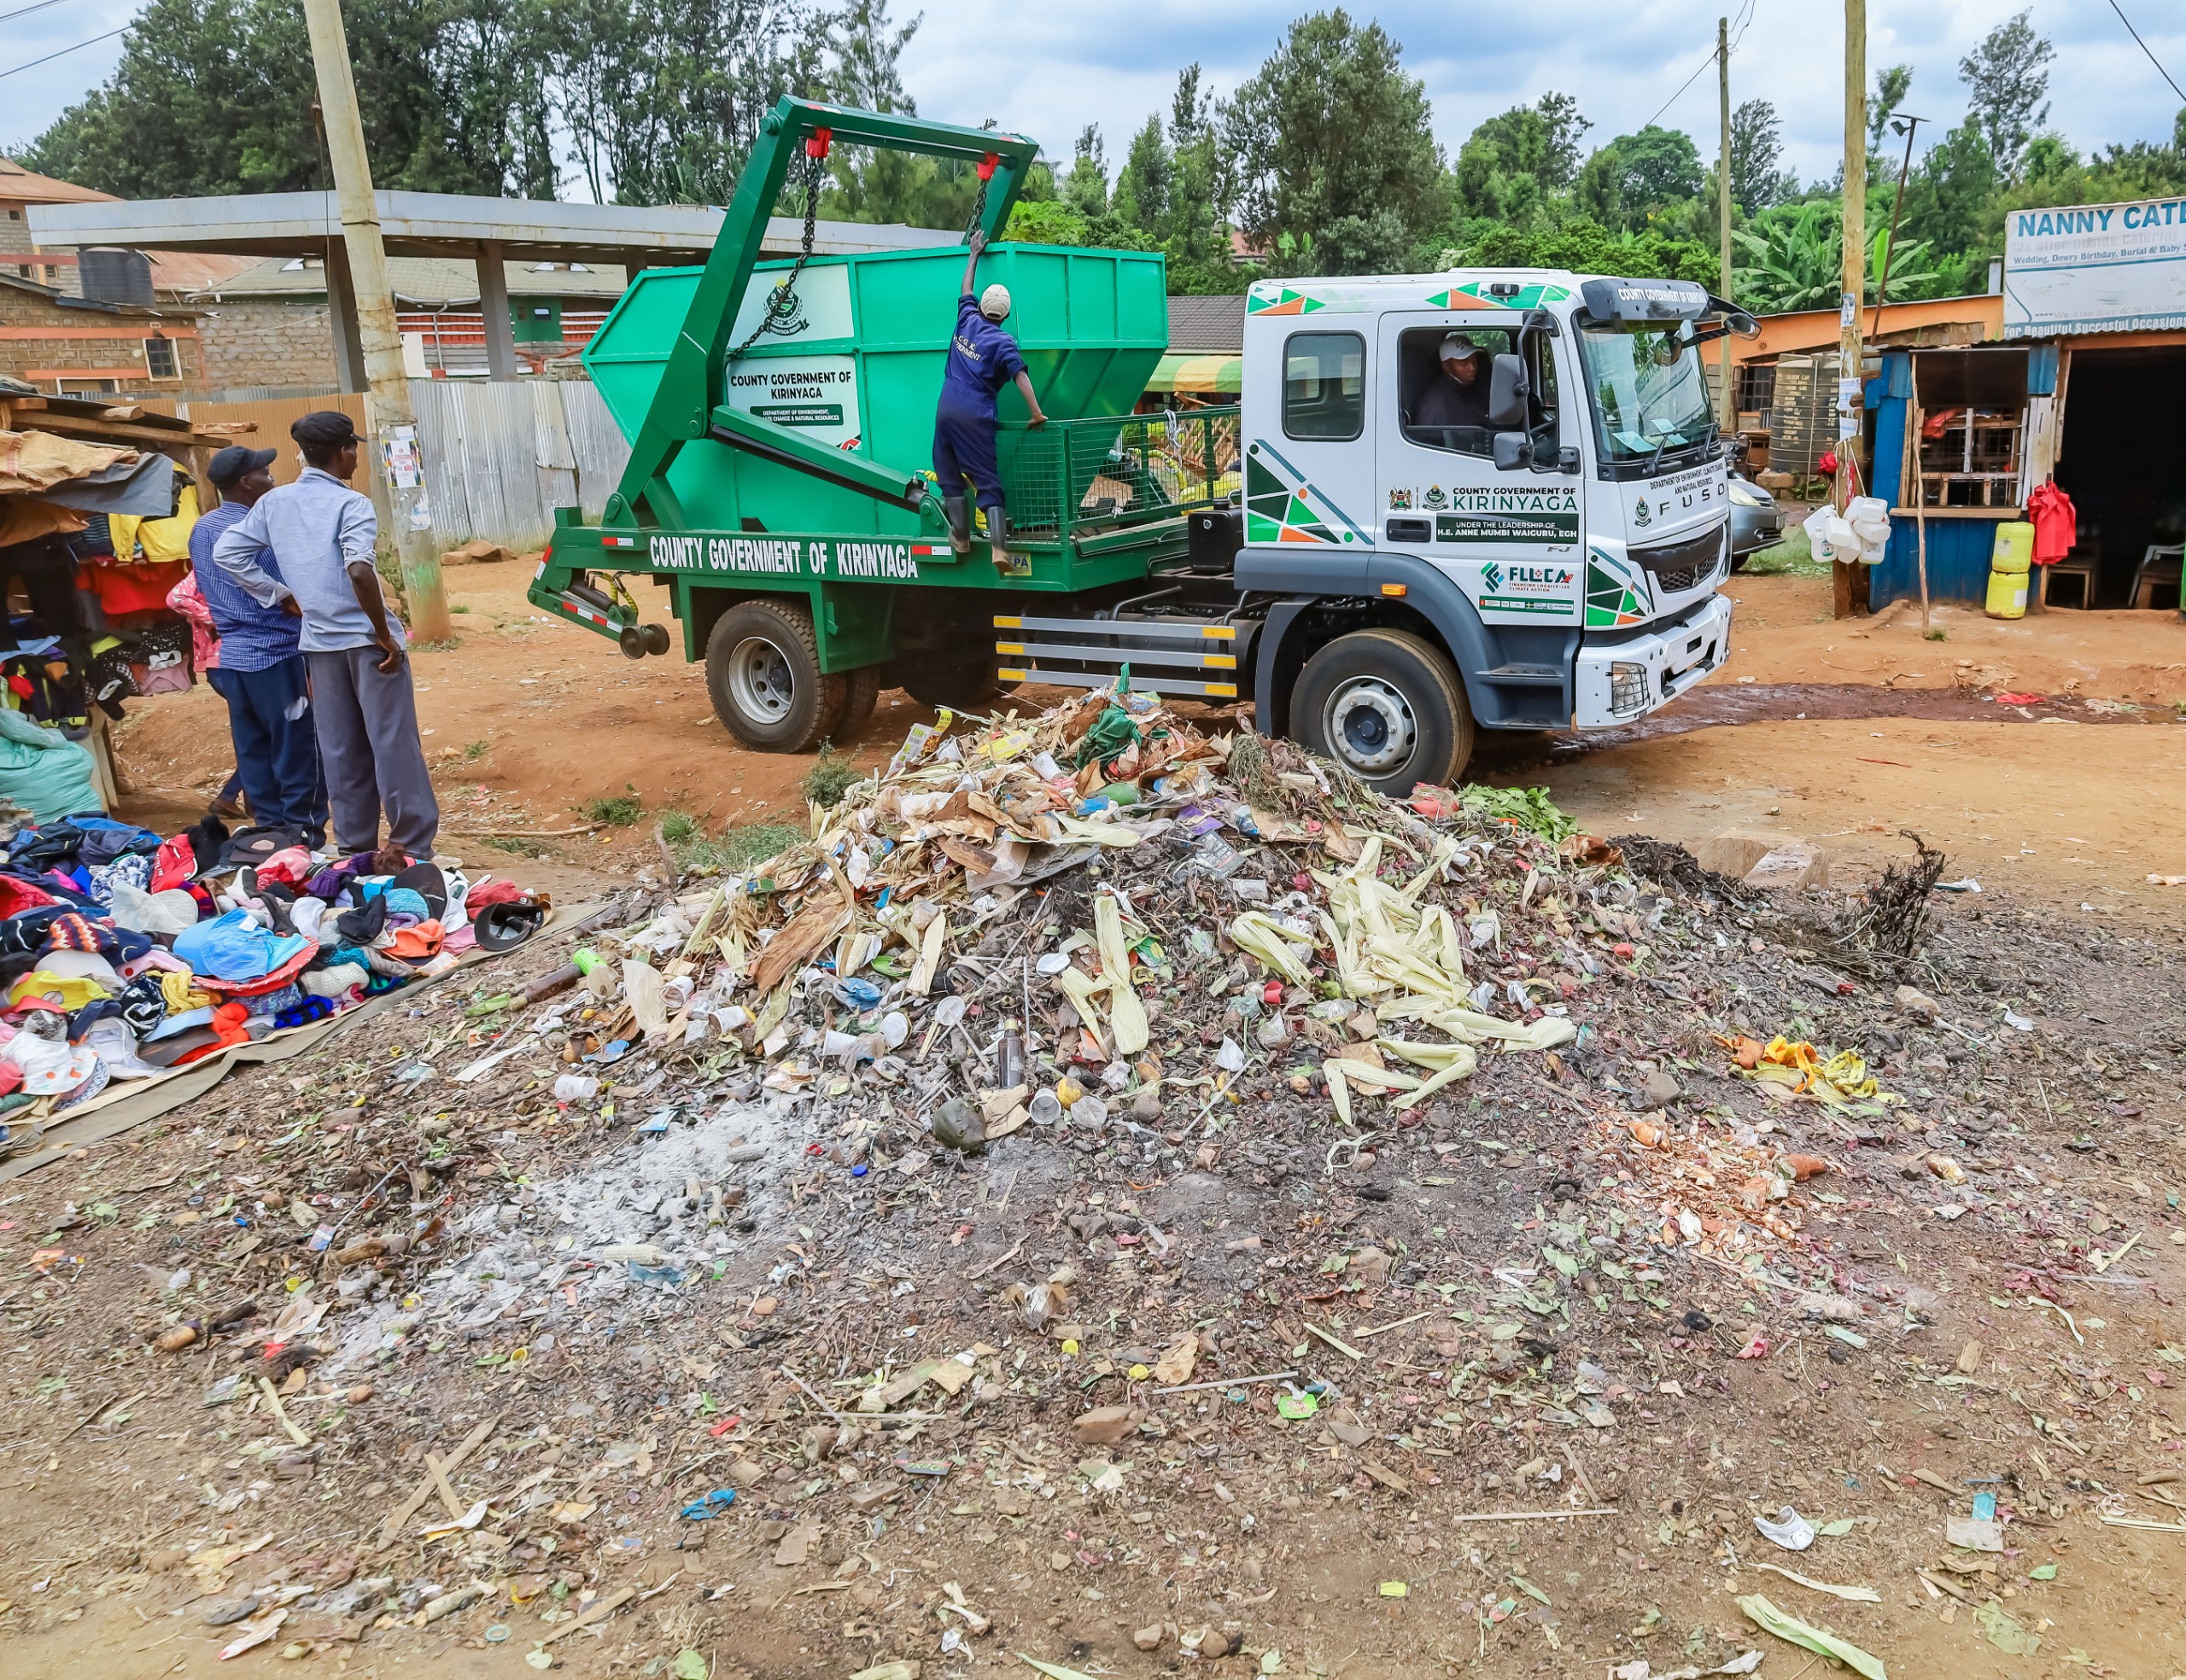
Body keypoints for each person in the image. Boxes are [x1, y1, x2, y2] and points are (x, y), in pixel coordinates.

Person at [213, 412, 439, 859]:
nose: (356, 455)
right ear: (344, 452)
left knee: (339, 747)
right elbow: (359, 568)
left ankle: (353, 845)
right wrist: (384, 634)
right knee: (392, 743)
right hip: (367, 644)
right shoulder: (351, 504)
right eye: (353, 448)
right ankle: (409, 843)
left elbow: (228, 552)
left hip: (319, 643)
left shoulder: (274, 502)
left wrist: (278, 594)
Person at [187, 445, 328, 841]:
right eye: (266, 473)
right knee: (297, 746)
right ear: (248, 482)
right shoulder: (257, 528)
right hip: (276, 654)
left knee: (254, 750)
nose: (272, 479)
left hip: (232, 657)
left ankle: (268, 834)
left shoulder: (203, 526)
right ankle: (304, 836)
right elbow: (291, 590)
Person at [933, 229, 1047, 575]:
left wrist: (974, 254)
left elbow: (965, 289)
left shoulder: (966, 320)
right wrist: (1036, 413)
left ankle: (961, 537)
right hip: (976, 415)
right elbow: (1020, 377)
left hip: (946, 409)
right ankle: (999, 548)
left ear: (982, 307)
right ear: (1006, 315)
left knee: (948, 472)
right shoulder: (1004, 343)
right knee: (987, 481)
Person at [1412, 333, 1492, 434]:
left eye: (1474, 361)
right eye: (1463, 363)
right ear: (1446, 366)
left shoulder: (1468, 387)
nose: (1472, 368)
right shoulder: (1436, 406)